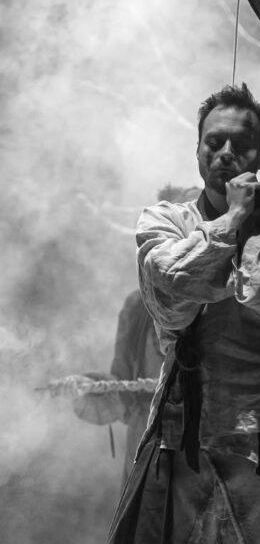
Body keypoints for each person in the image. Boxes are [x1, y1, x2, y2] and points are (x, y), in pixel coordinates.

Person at [81, 84, 260, 544]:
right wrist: (232, 223)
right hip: (179, 433)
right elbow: (173, 289)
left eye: (240, 144)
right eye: (214, 142)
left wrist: (237, 225)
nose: (225, 154)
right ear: (198, 148)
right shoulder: (162, 219)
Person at [73, 186, 198, 486]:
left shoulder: (228, 293)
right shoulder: (136, 306)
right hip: (150, 433)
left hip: (211, 433)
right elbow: (123, 390)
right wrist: (98, 390)